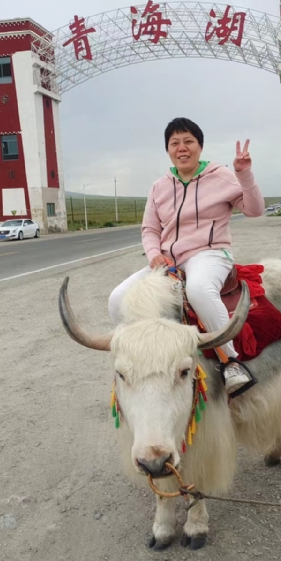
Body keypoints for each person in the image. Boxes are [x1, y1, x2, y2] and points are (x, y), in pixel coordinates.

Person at [108, 117, 265, 396]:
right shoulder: (159, 186)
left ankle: (230, 362)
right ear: (168, 150)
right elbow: (150, 229)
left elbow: (255, 210)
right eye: (175, 143)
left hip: (209, 253)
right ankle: (137, 359)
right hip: (169, 261)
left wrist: (244, 175)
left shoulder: (221, 176)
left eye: (188, 141)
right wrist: (154, 255)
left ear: (200, 147)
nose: (182, 148)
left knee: (198, 290)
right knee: (117, 298)